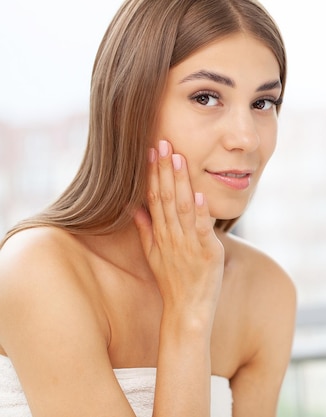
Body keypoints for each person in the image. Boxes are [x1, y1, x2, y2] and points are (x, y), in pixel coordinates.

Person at [0, 0, 297, 416]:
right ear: (129, 107)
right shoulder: (38, 268)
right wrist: (188, 317)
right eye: (206, 97)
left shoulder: (265, 289)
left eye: (263, 103)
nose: (246, 138)